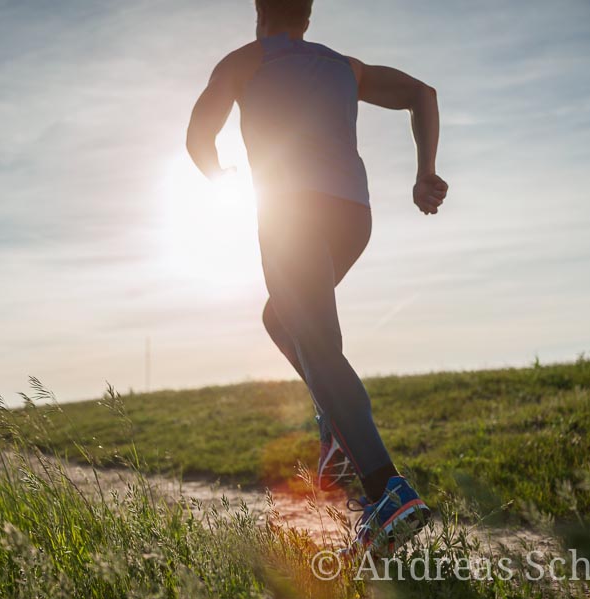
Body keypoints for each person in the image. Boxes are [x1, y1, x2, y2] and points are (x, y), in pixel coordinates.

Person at [185, 0, 448, 555]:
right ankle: (340, 435)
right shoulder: (342, 66)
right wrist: (424, 173)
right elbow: (421, 94)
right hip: (353, 218)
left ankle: (385, 489)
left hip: (291, 215)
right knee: (281, 319)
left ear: (259, 11)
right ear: (307, 17)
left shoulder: (242, 62)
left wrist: (219, 177)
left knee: (317, 343)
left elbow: (197, 138)